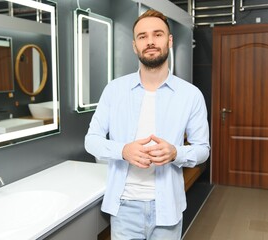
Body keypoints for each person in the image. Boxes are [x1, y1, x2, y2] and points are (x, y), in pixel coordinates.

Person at [85, 9, 210, 240]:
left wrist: (175, 153)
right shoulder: (114, 90)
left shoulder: (190, 95)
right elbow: (91, 140)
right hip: (123, 207)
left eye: (158, 34)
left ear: (169, 41)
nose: (150, 41)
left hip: (168, 208)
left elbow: (203, 149)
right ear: (135, 45)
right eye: (142, 36)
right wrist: (123, 150)